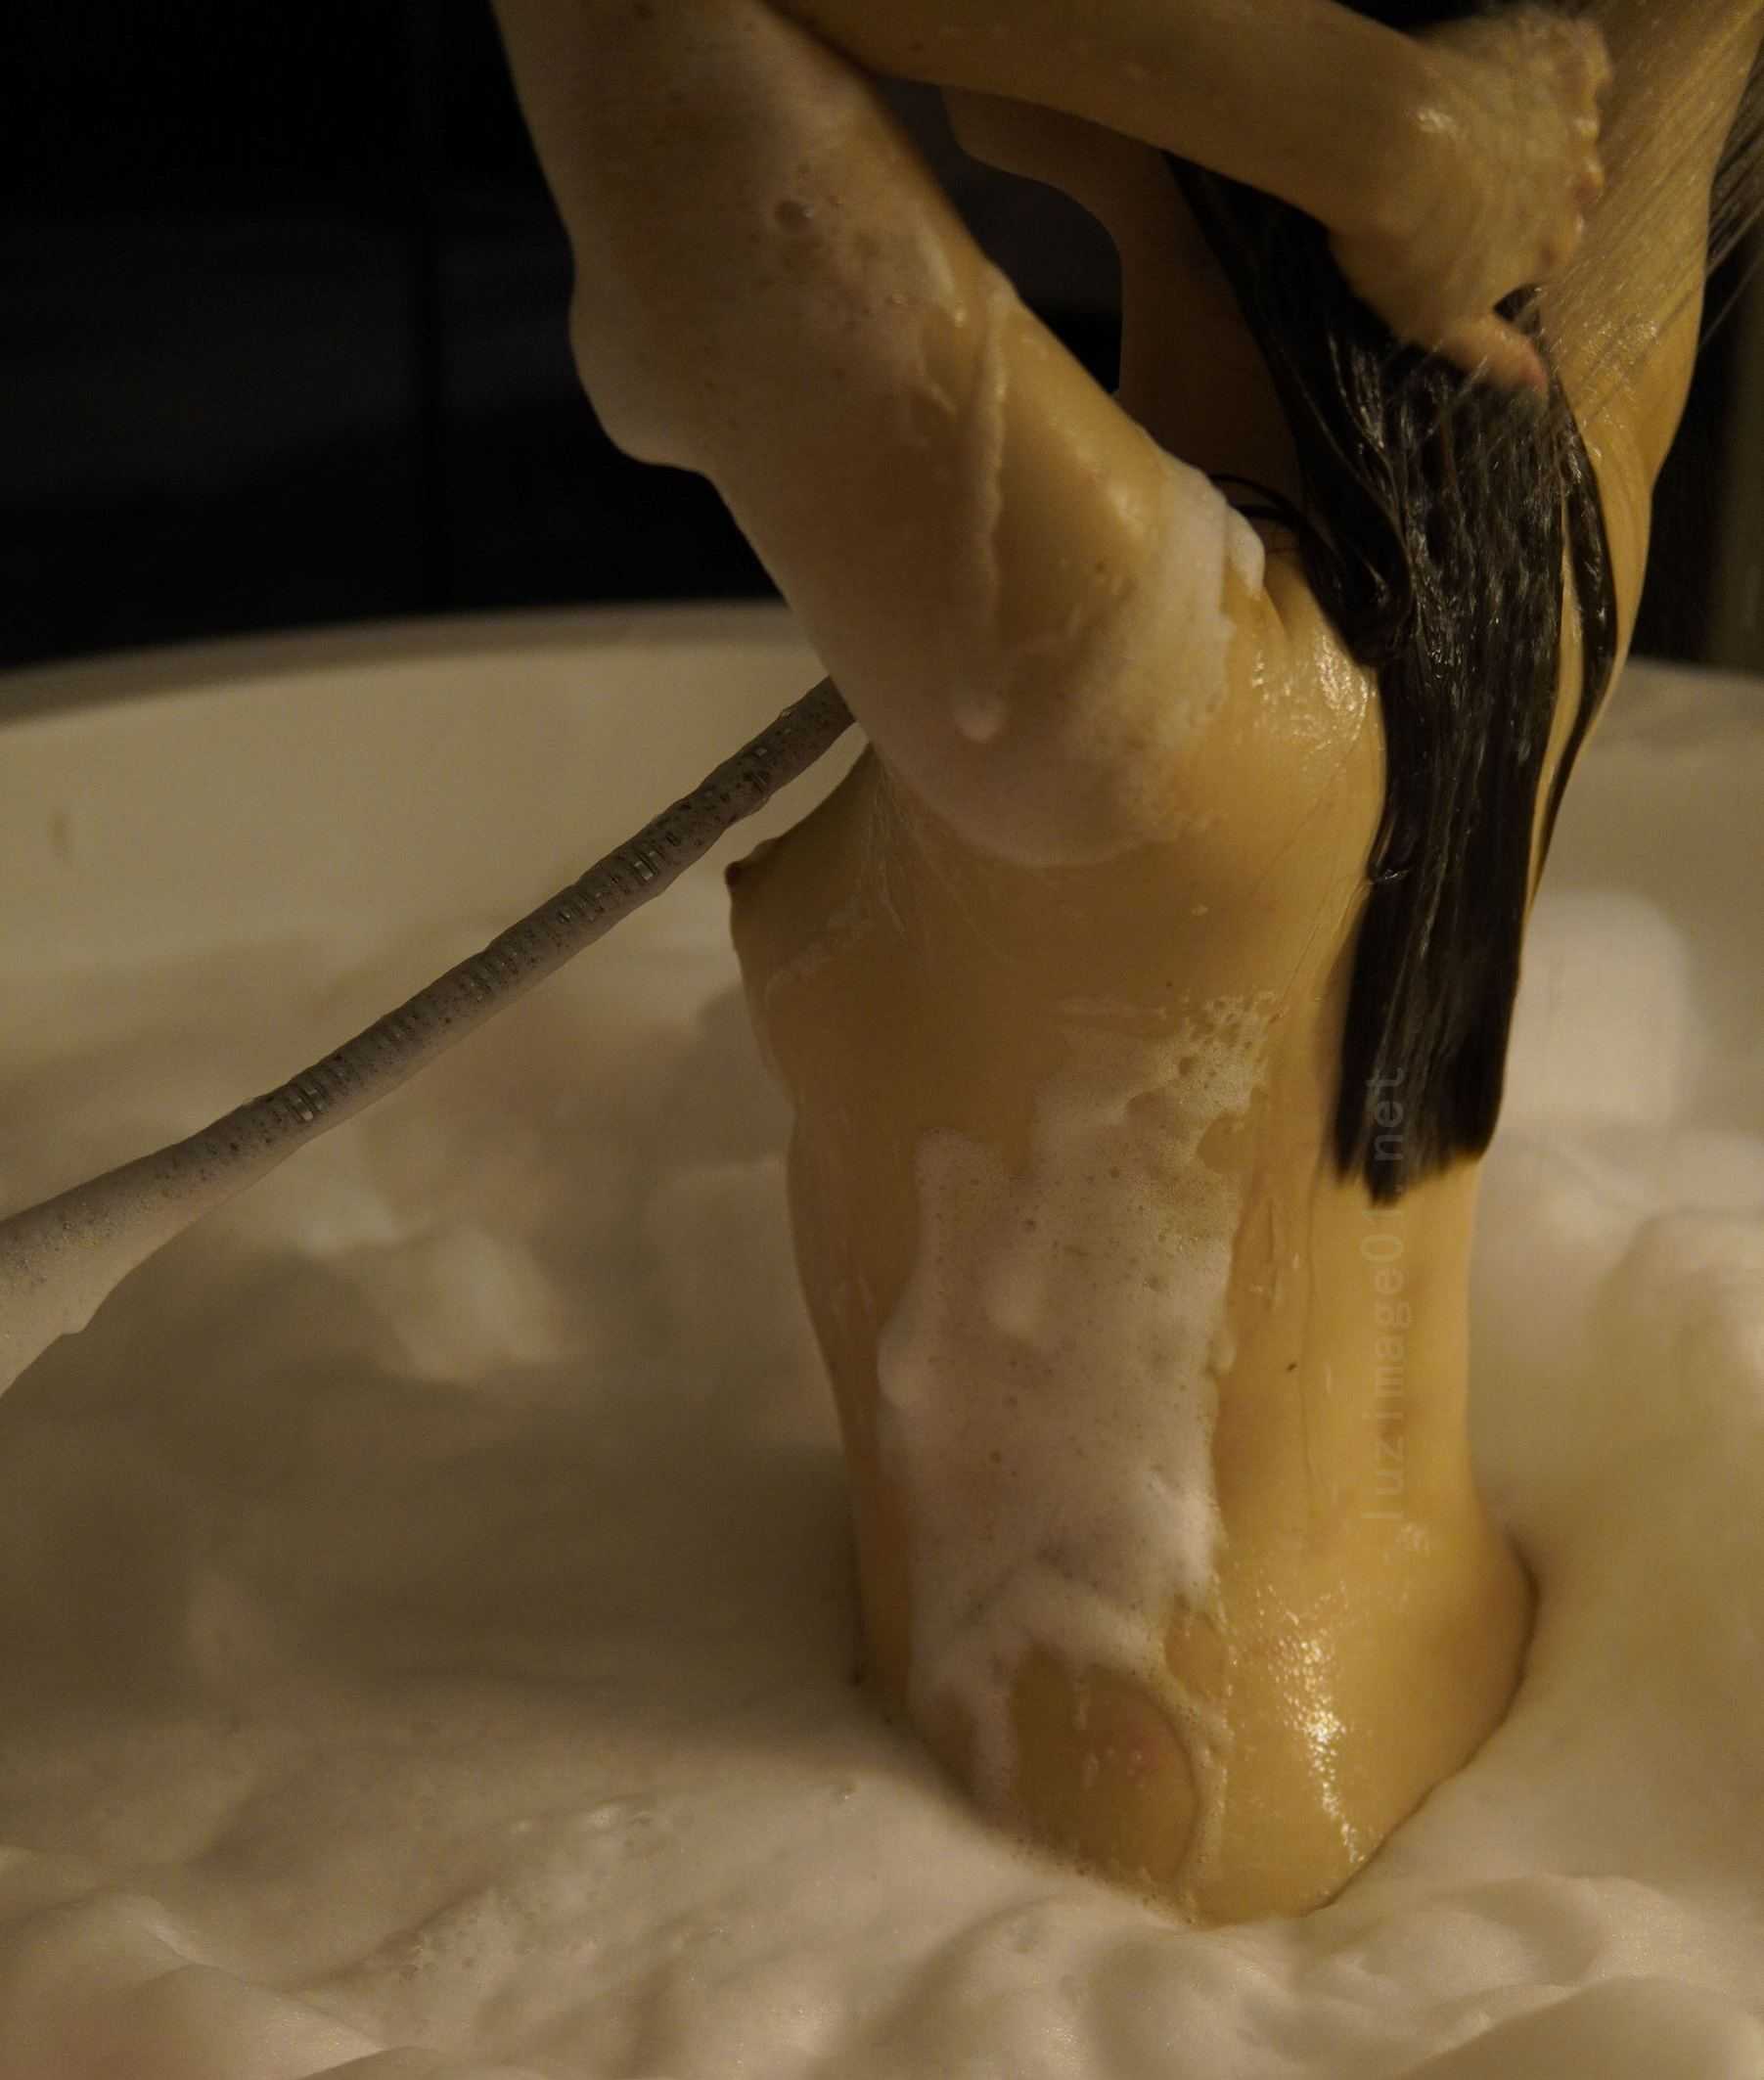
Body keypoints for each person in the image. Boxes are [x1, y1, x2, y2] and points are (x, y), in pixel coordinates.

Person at [489, 0, 1764, 1921]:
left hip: (1120, 1872)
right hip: (1435, 1743)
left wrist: (1345, 117)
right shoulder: (1545, 493)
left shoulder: (1140, 685)